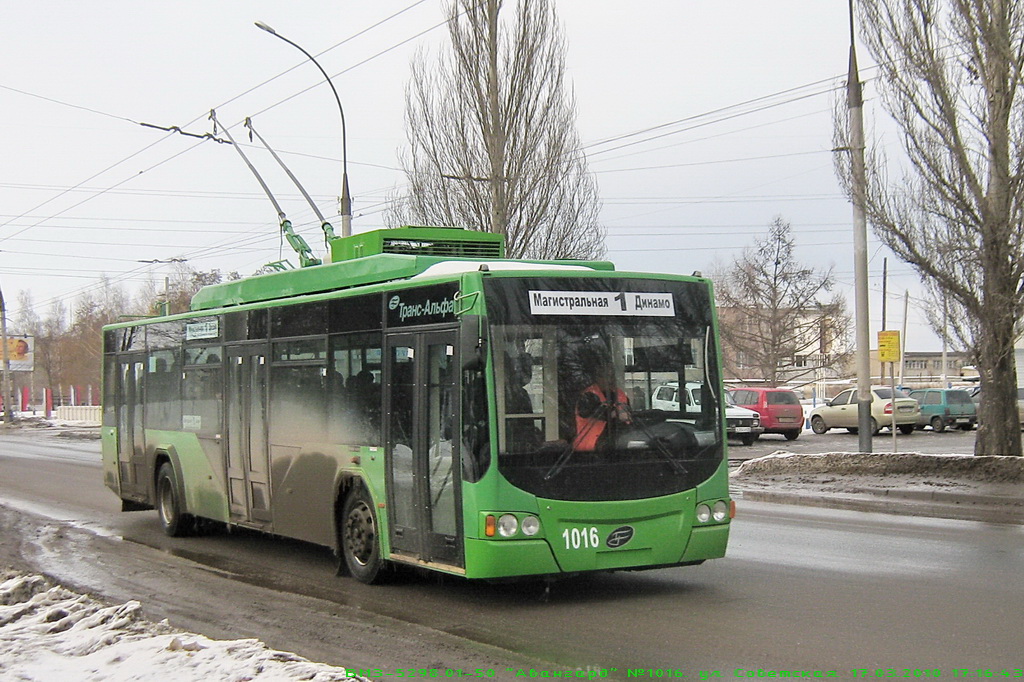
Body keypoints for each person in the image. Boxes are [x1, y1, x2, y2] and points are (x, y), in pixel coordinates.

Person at [572, 363, 631, 451]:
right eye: (606, 376)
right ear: (597, 378)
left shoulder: (620, 394)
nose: (611, 380)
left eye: (612, 376)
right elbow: (598, 412)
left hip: (617, 447)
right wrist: (616, 413)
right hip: (589, 450)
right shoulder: (588, 396)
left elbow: (629, 417)